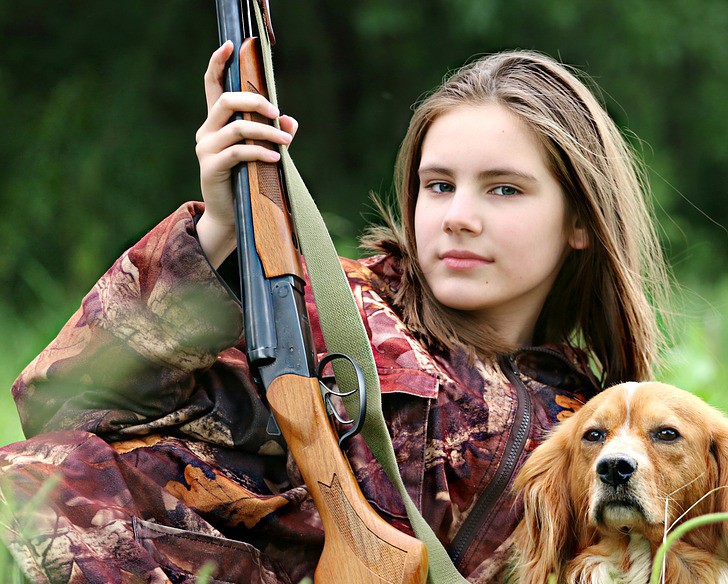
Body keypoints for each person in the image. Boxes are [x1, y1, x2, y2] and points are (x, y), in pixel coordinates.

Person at [0, 44, 669, 583]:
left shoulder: (601, 433)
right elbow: (70, 406)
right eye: (438, 185)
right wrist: (217, 235)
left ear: (580, 218)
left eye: (503, 189)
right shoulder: (322, 306)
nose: (459, 217)